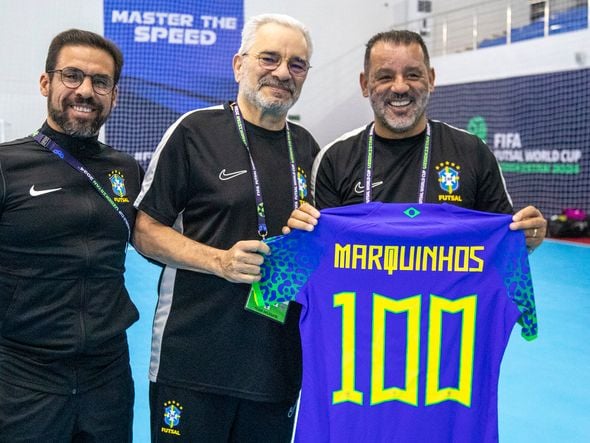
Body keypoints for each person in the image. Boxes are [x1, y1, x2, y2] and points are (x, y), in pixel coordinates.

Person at [132, 14, 319, 442]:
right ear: (239, 64)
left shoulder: (309, 148)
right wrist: (219, 261)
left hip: (275, 369)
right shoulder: (194, 132)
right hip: (193, 362)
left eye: (296, 64)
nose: (282, 72)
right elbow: (144, 229)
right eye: (269, 58)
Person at [0, 29, 142, 442]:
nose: (85, 91)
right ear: (46, 83)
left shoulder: (126, 169)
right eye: (72, 76)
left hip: (108, 375)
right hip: (23, 376)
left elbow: (157, 238)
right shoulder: (8, 165)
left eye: (100, 82)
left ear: (114, 95)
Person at [285, 30, 547, 249]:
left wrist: (526, 238)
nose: (400, 87)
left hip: (448, 308)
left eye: (412, 74)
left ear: (431, 79)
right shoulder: (334, 158)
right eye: (385, 76)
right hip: (362, 307)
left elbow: (501, 243)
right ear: (365, 84)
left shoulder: (472, 151)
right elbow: (322, 253)